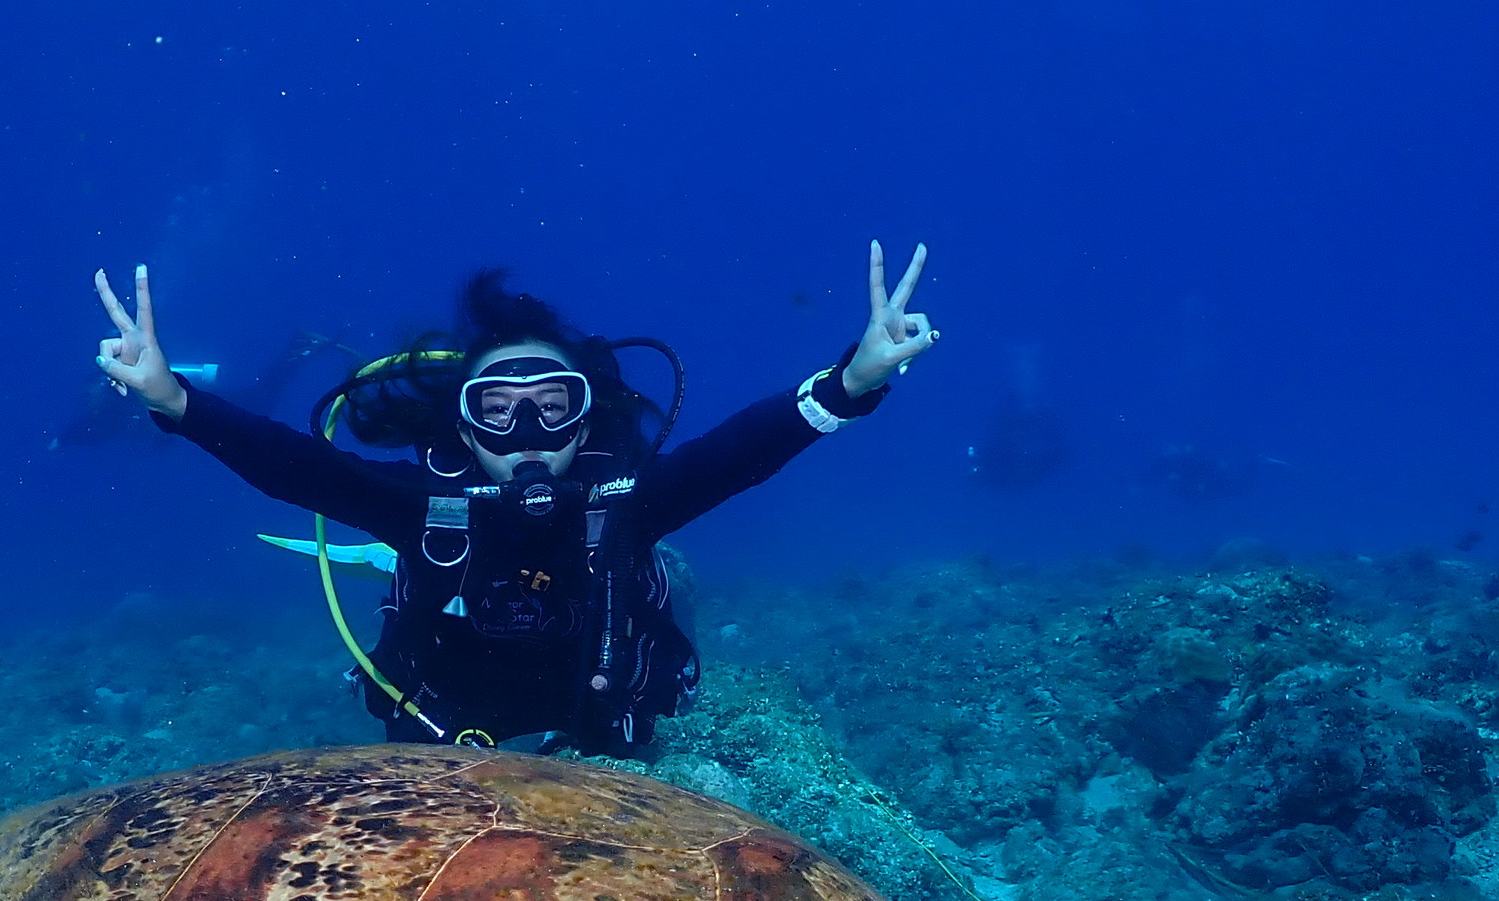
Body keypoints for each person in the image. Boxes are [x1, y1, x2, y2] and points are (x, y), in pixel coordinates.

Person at [92, 246, 939, 754]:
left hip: (597, 721)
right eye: (498, 410)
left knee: (659, 583)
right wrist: (176, 403)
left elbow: (739, 454)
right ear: (464, 429)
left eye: (551, 406)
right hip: (451, 727)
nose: (528, 430)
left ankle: (670, 579)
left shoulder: (625, 502)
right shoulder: (430, 506)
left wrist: (853, 381)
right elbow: (303, 471)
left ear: (586, 418)